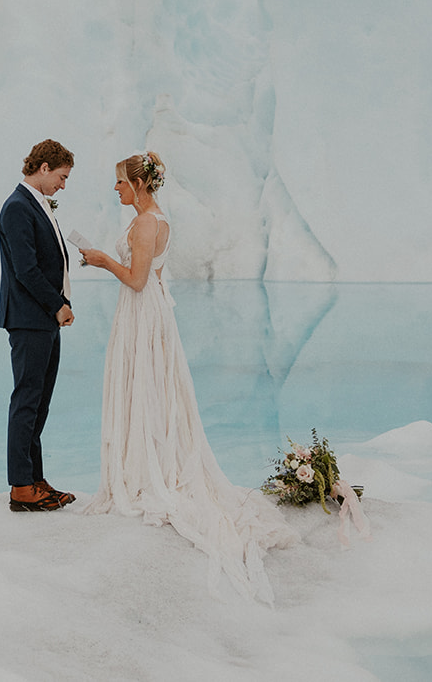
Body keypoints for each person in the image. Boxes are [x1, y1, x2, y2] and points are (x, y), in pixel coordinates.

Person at [78, 152, 295, 602]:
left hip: (141, 310)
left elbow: (136, 280)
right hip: (152, 312)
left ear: (139, 184)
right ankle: (151, 459)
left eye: (120, 183)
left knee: (144, 386)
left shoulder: (144, 224)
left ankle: (144, 471)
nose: (115, 190)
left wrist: (101, 260)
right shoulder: (160, 219)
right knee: (153, 388)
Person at [0, 139, 77, 512]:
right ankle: (21, 488)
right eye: (61, 177)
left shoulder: (33, 205)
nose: (63, 185)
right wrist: (57, 304)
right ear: (44, 168)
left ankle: (35, 479)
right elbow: (25, 269)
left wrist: (61, 304)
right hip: (30, 319)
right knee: (27, 401)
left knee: (39, 403)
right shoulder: (17, 207)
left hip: (43, 319)